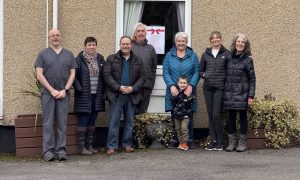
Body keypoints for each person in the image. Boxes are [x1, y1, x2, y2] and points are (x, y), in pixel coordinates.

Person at [35, 29, 77, 161]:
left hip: (63, 93)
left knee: (62, 123)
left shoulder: (69, 54)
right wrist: (52, 90)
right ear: (49, 38)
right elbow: (39, 74)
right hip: (48, 93)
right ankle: (48, 152)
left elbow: (73, 74)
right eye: (52, 35)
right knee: (48, 123)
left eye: (57, 35)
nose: (55, 37)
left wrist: (65, 90)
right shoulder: (43, 54)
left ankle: (61, 151)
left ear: (61, 37)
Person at [104, 36, 144, 155]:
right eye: (123, 44)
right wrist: (118, 87)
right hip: (116, 94)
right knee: (114, 121)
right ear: (120, 44)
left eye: (127, 44)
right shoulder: (111, 59)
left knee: (129, 121)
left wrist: (133, 88)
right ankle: (112, 146)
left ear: (131, 45)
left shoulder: (138, 60)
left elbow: (142, 77)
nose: (125, 46)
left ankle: (127, 144)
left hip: (131, 94)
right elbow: (107, 75)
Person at [163, 32, 200, 148]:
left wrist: (191, 86)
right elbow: (166, 72)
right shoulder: (169, 55)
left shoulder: (193, 55)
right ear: (175, 42)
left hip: (188, 91)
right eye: (179, 41)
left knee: (188, 116)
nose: (181, 43)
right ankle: (176, 140)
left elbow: (197, 72)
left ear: (186, 42)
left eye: (183, 41)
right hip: (174, 91)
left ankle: (189, 140)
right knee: (175, 116)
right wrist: (171, 86)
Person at [224, 33, 256, 152]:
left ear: (245, 45)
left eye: (243, 42)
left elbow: (252, 79)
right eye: (238, 41)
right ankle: (232, 143)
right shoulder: (228, 57)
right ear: (235, 43)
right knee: (231, 118)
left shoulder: (248, 59)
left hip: (243, 93)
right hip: (230, 93)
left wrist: (251, 96)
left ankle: (241, 143)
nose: (240, 44)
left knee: (243, 118)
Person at [73, 37, 105, 155]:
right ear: (85, 46)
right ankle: (81, 148)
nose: (91, 47)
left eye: (93, 45)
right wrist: (79, 88)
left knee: (92, 121)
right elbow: (72, 76)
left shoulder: (100, 59)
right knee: (83, 121)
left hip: (96, 96)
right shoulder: (78, 60)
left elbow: (104, 75)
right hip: (83, 96)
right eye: (89, 45)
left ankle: (89, 145)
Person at [200, 31, 231, 151]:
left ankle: (220, 142)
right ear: (210, 41)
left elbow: (229, 72)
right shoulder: (205, 54)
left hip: (220, 88)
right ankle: (212, 141)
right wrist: (205, 75)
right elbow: (200, 71)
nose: (215, 40)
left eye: (217, 38)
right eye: (213, 38)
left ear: (221, 40)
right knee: (210, 114)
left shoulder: (227, 54)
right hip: (207, 88)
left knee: (217, 115)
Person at [131, 22, 157, 114]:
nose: (141, 33)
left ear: (146, 33)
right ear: (135, 33)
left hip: (146, 85)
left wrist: (151, 82)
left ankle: (140, 129)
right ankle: (131, 129)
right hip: (132, 85)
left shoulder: (151, 48)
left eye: (143, 31)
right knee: (131, 110)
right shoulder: (129, 47)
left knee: (142, 111)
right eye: (138, 31)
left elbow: (154, 68)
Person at [172, 75, 195, 151]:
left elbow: (192, 102)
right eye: (181, 82)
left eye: (184, 83)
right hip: (177, 115)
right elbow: (174, 102)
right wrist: (175, 96)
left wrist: (189, 97)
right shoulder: (177, 93)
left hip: (185, 115)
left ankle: (185, 143)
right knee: (178, 129)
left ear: (187, 84)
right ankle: (180, 142)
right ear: (178, 83)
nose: (182, 84)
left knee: (184, 129)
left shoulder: (188, 93)